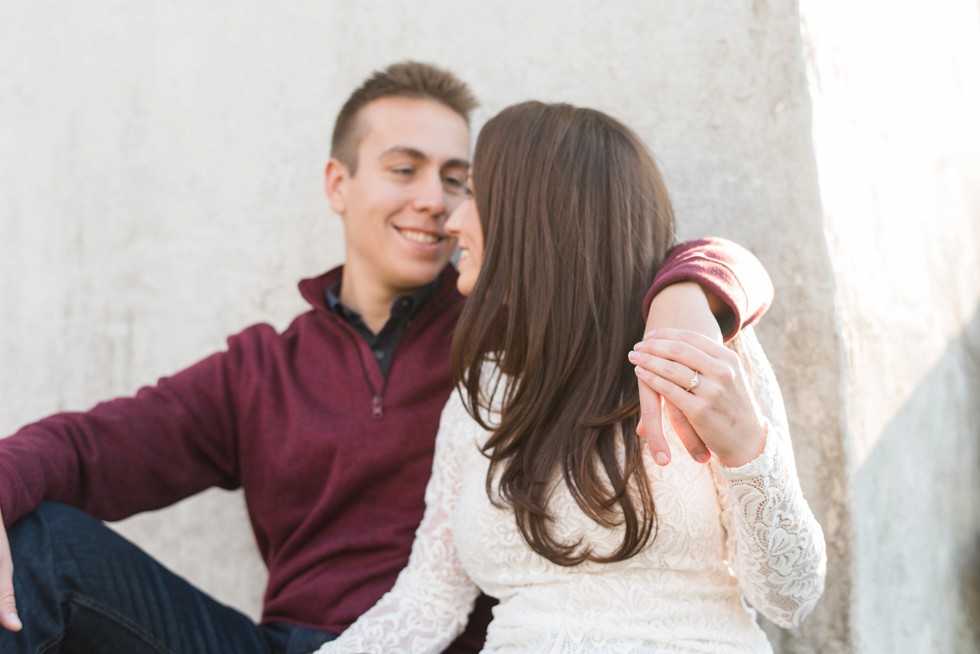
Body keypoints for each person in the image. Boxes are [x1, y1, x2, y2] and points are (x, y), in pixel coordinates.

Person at [0, 64, 775, 653]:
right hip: (292, 644)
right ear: (339, 184)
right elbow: (86, 448)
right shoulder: (258, 370)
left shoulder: (505, 338)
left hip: (439, 644)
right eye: (404, 170)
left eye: (456, 179)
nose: (435, 200)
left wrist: (690, 290)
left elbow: (626, 258)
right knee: (37, 547)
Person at [317, 101, 826, 654]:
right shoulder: (481, 393)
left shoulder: (699, 356)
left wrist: (748, 451)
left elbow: (789, 599)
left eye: (475, 196)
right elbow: (430, 597)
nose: (452, 219)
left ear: (534, 220)